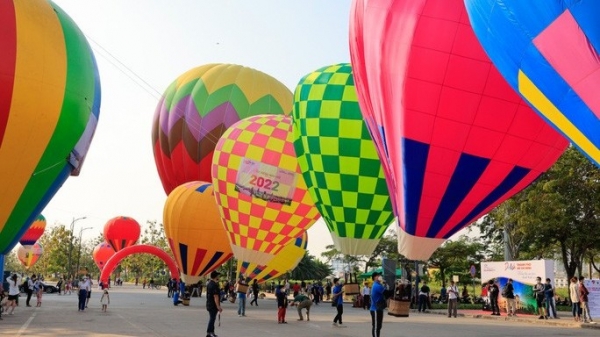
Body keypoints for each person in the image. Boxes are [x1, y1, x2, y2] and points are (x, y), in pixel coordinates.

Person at [206, 271, 223, 337]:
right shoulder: (214, 285)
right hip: (213, 305)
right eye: (217, 276)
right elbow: (215, 296)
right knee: (212, 318)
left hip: (209, 303)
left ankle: (212, 332)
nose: (218, 277)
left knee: (212, 318)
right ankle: (209, 332)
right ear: (215, 276)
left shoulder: (209, 283)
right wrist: (218, 306)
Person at [369, 271, 385, 337]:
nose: (380, 277)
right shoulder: (377, 286)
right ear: (375, 278)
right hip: (375, 309)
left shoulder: (379, 285)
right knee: (376, 327)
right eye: (378, 275)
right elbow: (386, 293)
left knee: (379, 326)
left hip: (379, 308)